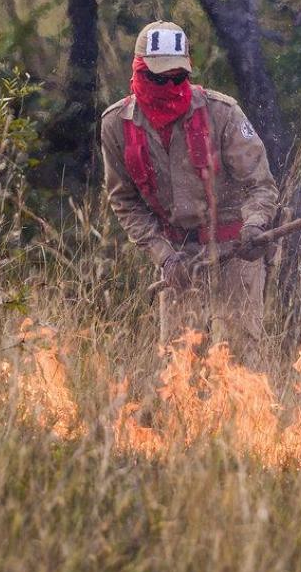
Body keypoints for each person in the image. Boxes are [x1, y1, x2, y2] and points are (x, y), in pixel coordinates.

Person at [101, 20, 279, 364]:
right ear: (138, 71)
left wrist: (255, 226)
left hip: (234, 247)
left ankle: (241, 420)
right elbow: (123, 200)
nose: (167, 86)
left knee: (242, 360)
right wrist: (164, 257)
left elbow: (260, 183)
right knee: (181, 363)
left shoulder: (222, 113)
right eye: (157, 78)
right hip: (178, 256)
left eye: (176, 78)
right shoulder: (115, 125)